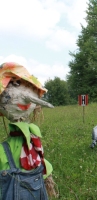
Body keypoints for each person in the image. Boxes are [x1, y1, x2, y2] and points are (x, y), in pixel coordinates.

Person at [0, 62, 57, 199]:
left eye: (29, 86)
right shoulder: (4, 149)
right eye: (15, 83)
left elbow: (39, 159)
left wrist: (46, 174)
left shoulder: (34, 138)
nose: (26, 94)